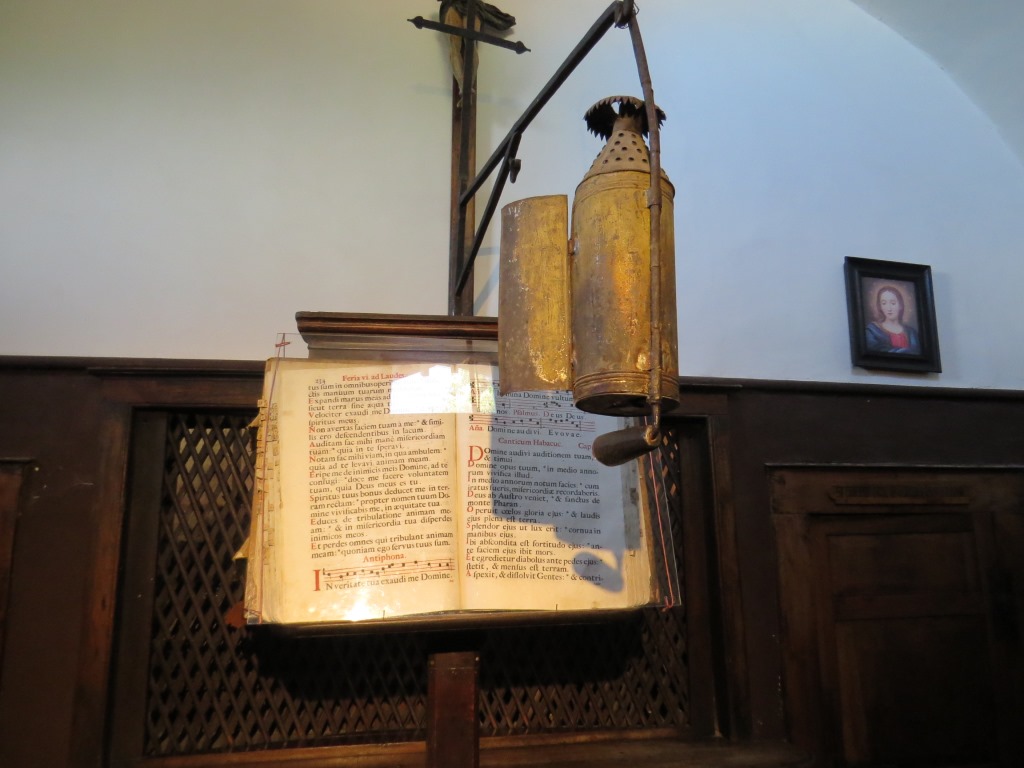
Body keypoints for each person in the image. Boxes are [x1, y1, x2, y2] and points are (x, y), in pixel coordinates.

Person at [865, 285, 920, 354]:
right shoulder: (873, 330)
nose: (889, 308)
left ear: (900, 305)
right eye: (884, 303)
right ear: (880, 306)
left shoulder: (911, 332)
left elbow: (916, 352)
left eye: (893, 303)